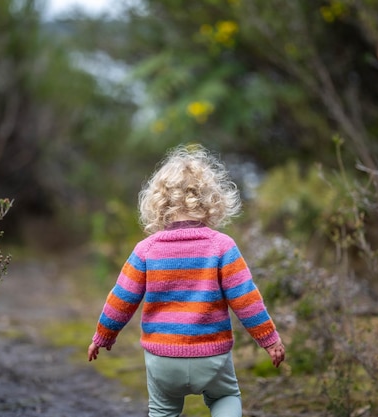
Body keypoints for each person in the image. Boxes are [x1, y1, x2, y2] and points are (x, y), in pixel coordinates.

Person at [88, 144, 286, 417]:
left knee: (162, 409)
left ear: (158, 203)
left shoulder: (146, 249)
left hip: (163, 358)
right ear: (211, 200)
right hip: (211, 356)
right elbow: (246, 299)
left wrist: (103, 336)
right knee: (226, 396)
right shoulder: (222, 246)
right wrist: (269, 339)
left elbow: (122, 299)